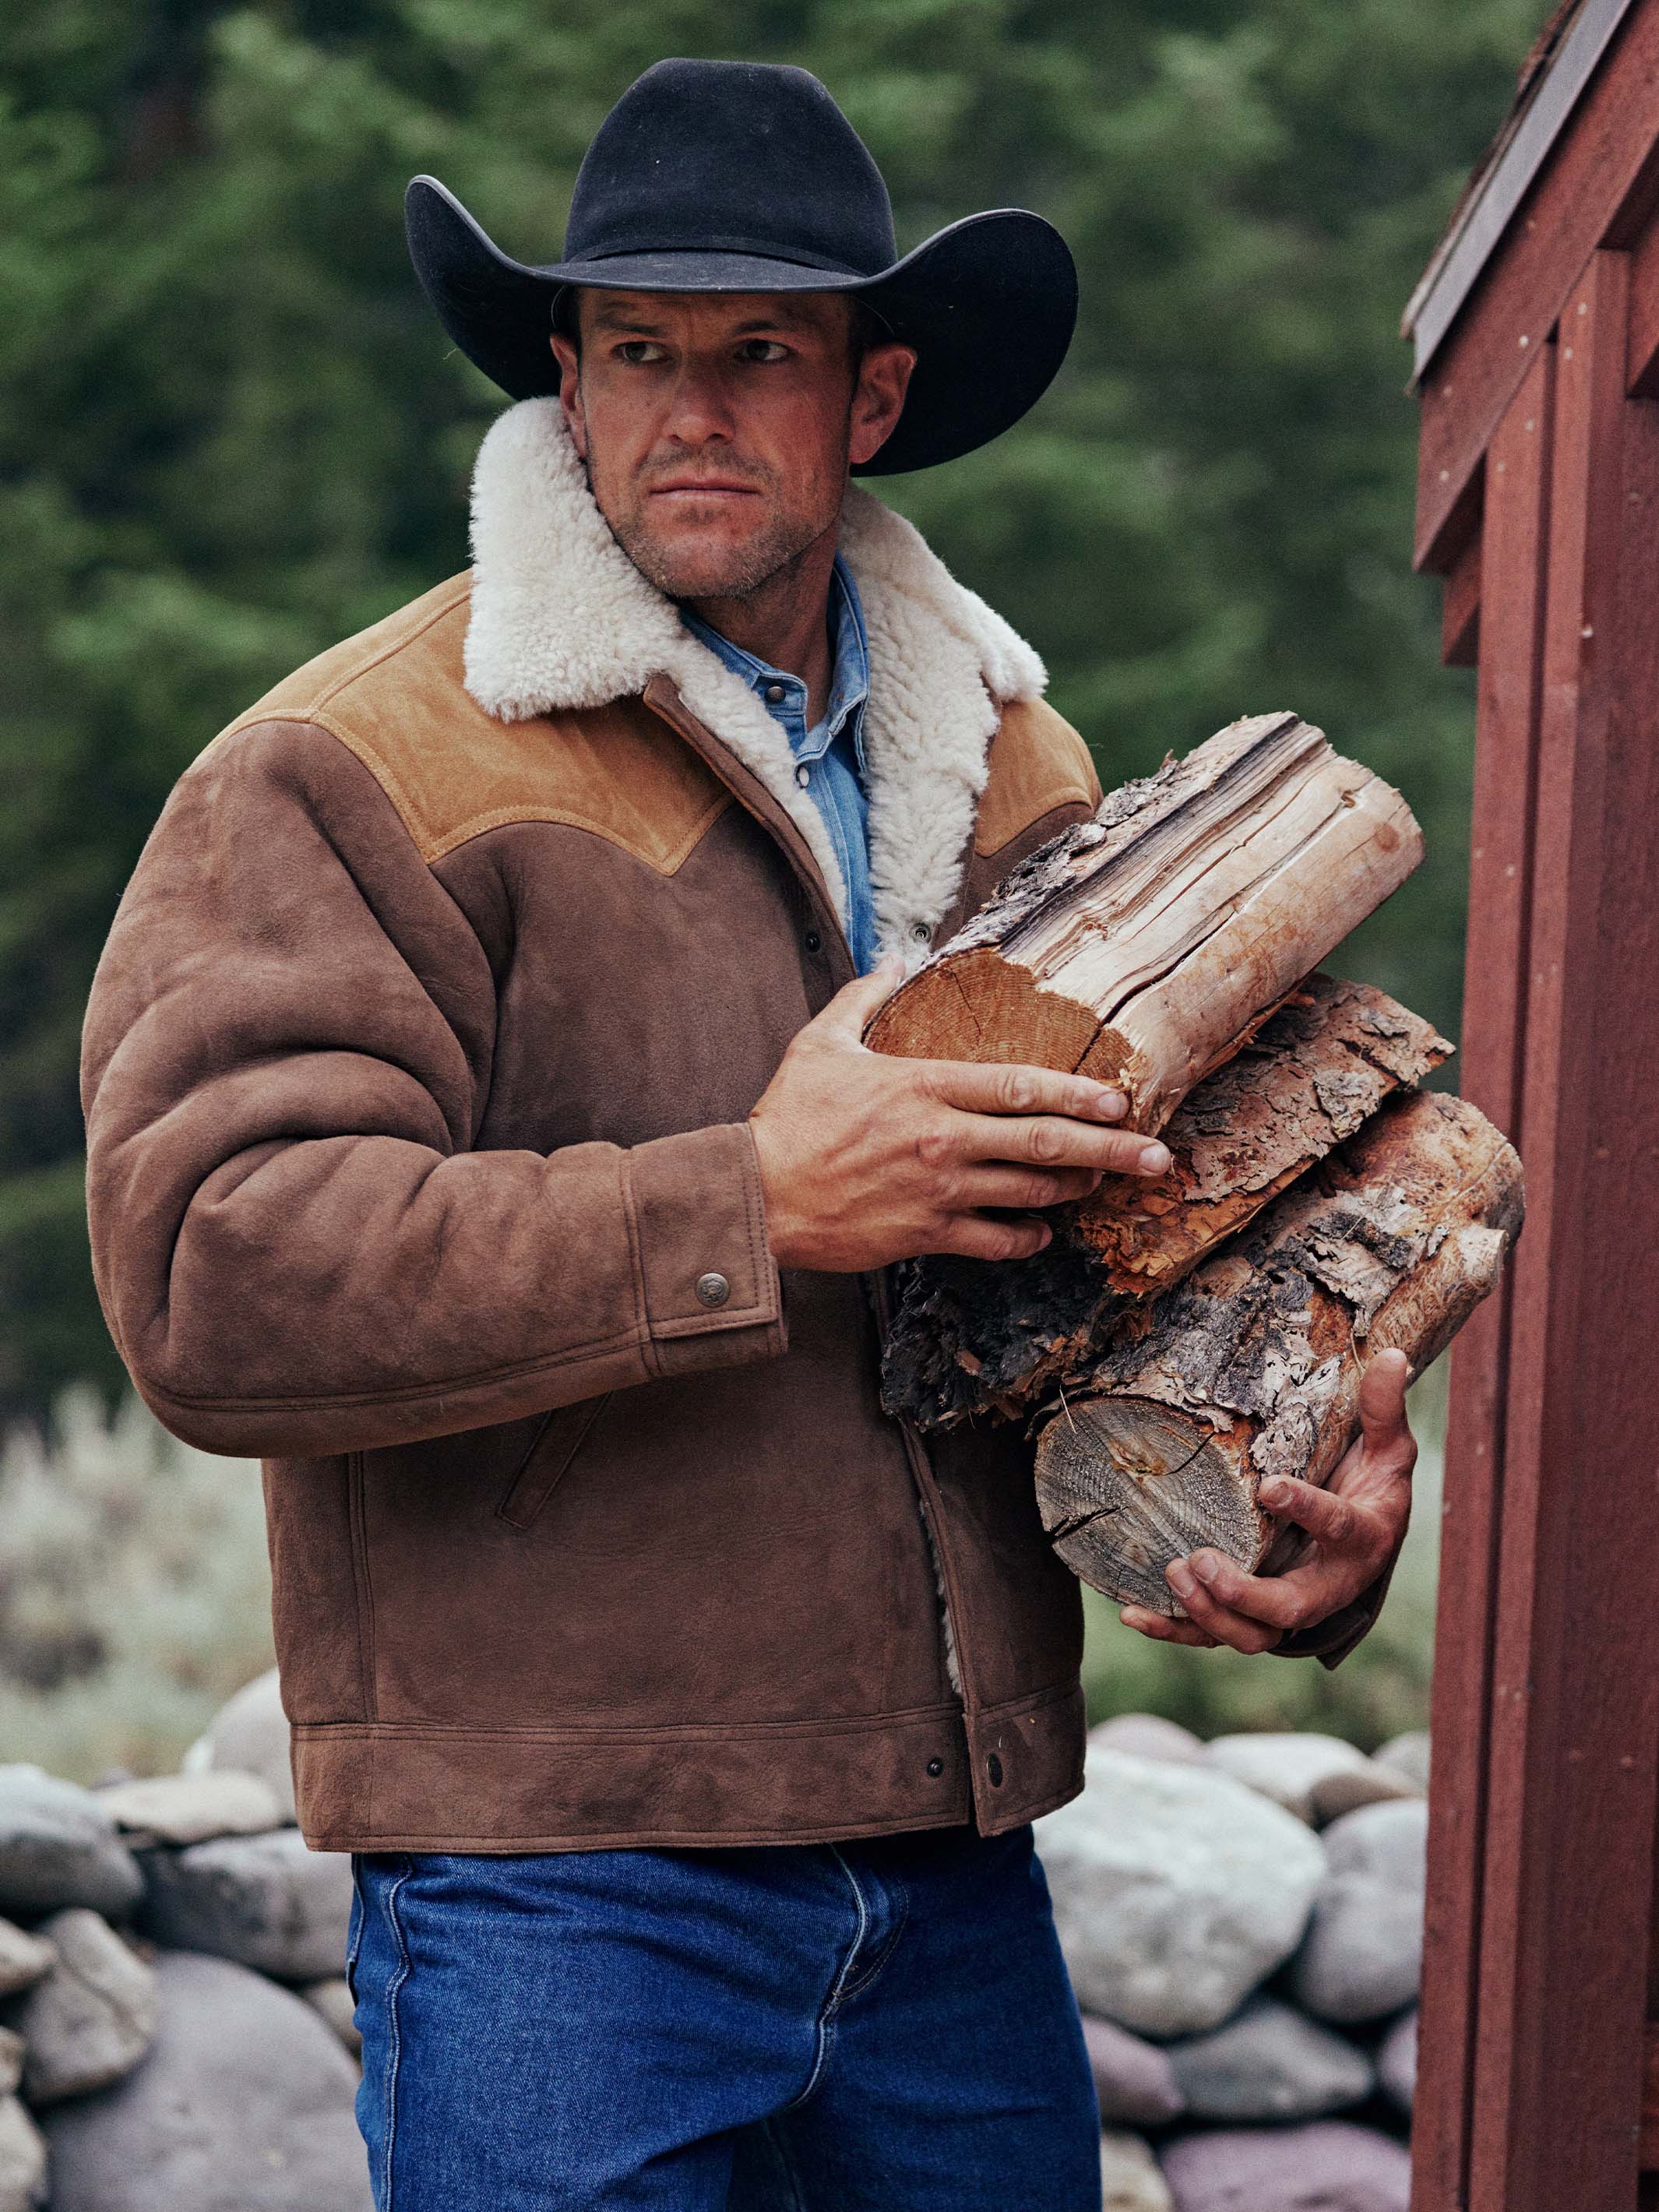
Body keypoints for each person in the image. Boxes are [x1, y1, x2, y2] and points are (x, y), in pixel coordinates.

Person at [80, 58, 1416, 2212]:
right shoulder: (347, 765)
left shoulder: (1005, 763)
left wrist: (1275, 1503)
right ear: (568, 381)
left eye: (761, 354)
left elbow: (1097, 1248)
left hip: (952, 1875)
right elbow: (211, 1278)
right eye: (638, 349)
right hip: (556, 1882)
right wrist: (749, 1205)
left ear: (868, 398)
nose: (692, 408)